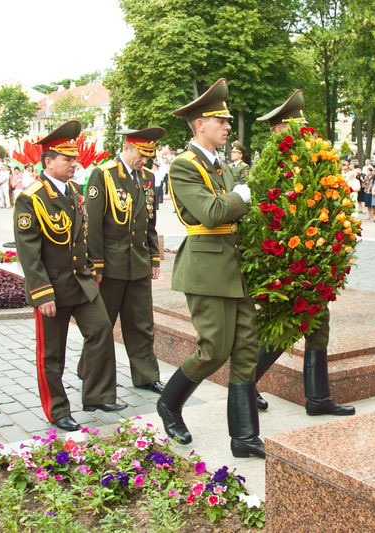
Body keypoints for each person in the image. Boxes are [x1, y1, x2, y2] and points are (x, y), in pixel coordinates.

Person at [157, 78, 264, 459]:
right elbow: (212, 212)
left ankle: (245, 436)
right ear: (200, 124)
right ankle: (170, 404)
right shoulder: (184, 167)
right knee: (214, 349)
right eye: (221, 121)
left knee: (247, 347)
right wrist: (240, 196)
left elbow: (232, 208)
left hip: (232, 264)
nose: (227, 127)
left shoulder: (220, 165)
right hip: (205, 265)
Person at [13, 120, 127, 433]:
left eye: (75, 159)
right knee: (52, 352)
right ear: (48, 161)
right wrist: (41, 292)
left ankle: (98, 395)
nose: (74, 164)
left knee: (101, 330)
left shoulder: (75, 191)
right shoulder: (31, 198)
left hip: (80, 281)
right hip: (52, 287)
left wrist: (92, 268)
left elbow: (83, 236)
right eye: (67, 159)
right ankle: (57, 410)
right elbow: (29, 252)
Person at [252, 90, 355, 419]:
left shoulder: (312, 159)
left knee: (317, 322)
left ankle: (318, 398)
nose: (303, 136)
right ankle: (245, 381)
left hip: (315, 258)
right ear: (281, 130)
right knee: (288, 323)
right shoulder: (275, 165)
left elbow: (327, 198)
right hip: (285, 260)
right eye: (294, 130)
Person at [86, 127, 166, 396]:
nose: (144, 160)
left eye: (148, 155)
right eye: (141, 154)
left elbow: (149, 221)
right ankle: (90, 371)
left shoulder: (147, 177)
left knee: (141, 323)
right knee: (102, 323)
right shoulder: (104, 174)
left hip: (139, 262)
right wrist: (95, 263)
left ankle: (146, 375)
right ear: (128, 147)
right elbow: (93, 223)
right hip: (110, 265)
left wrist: (154, 256)